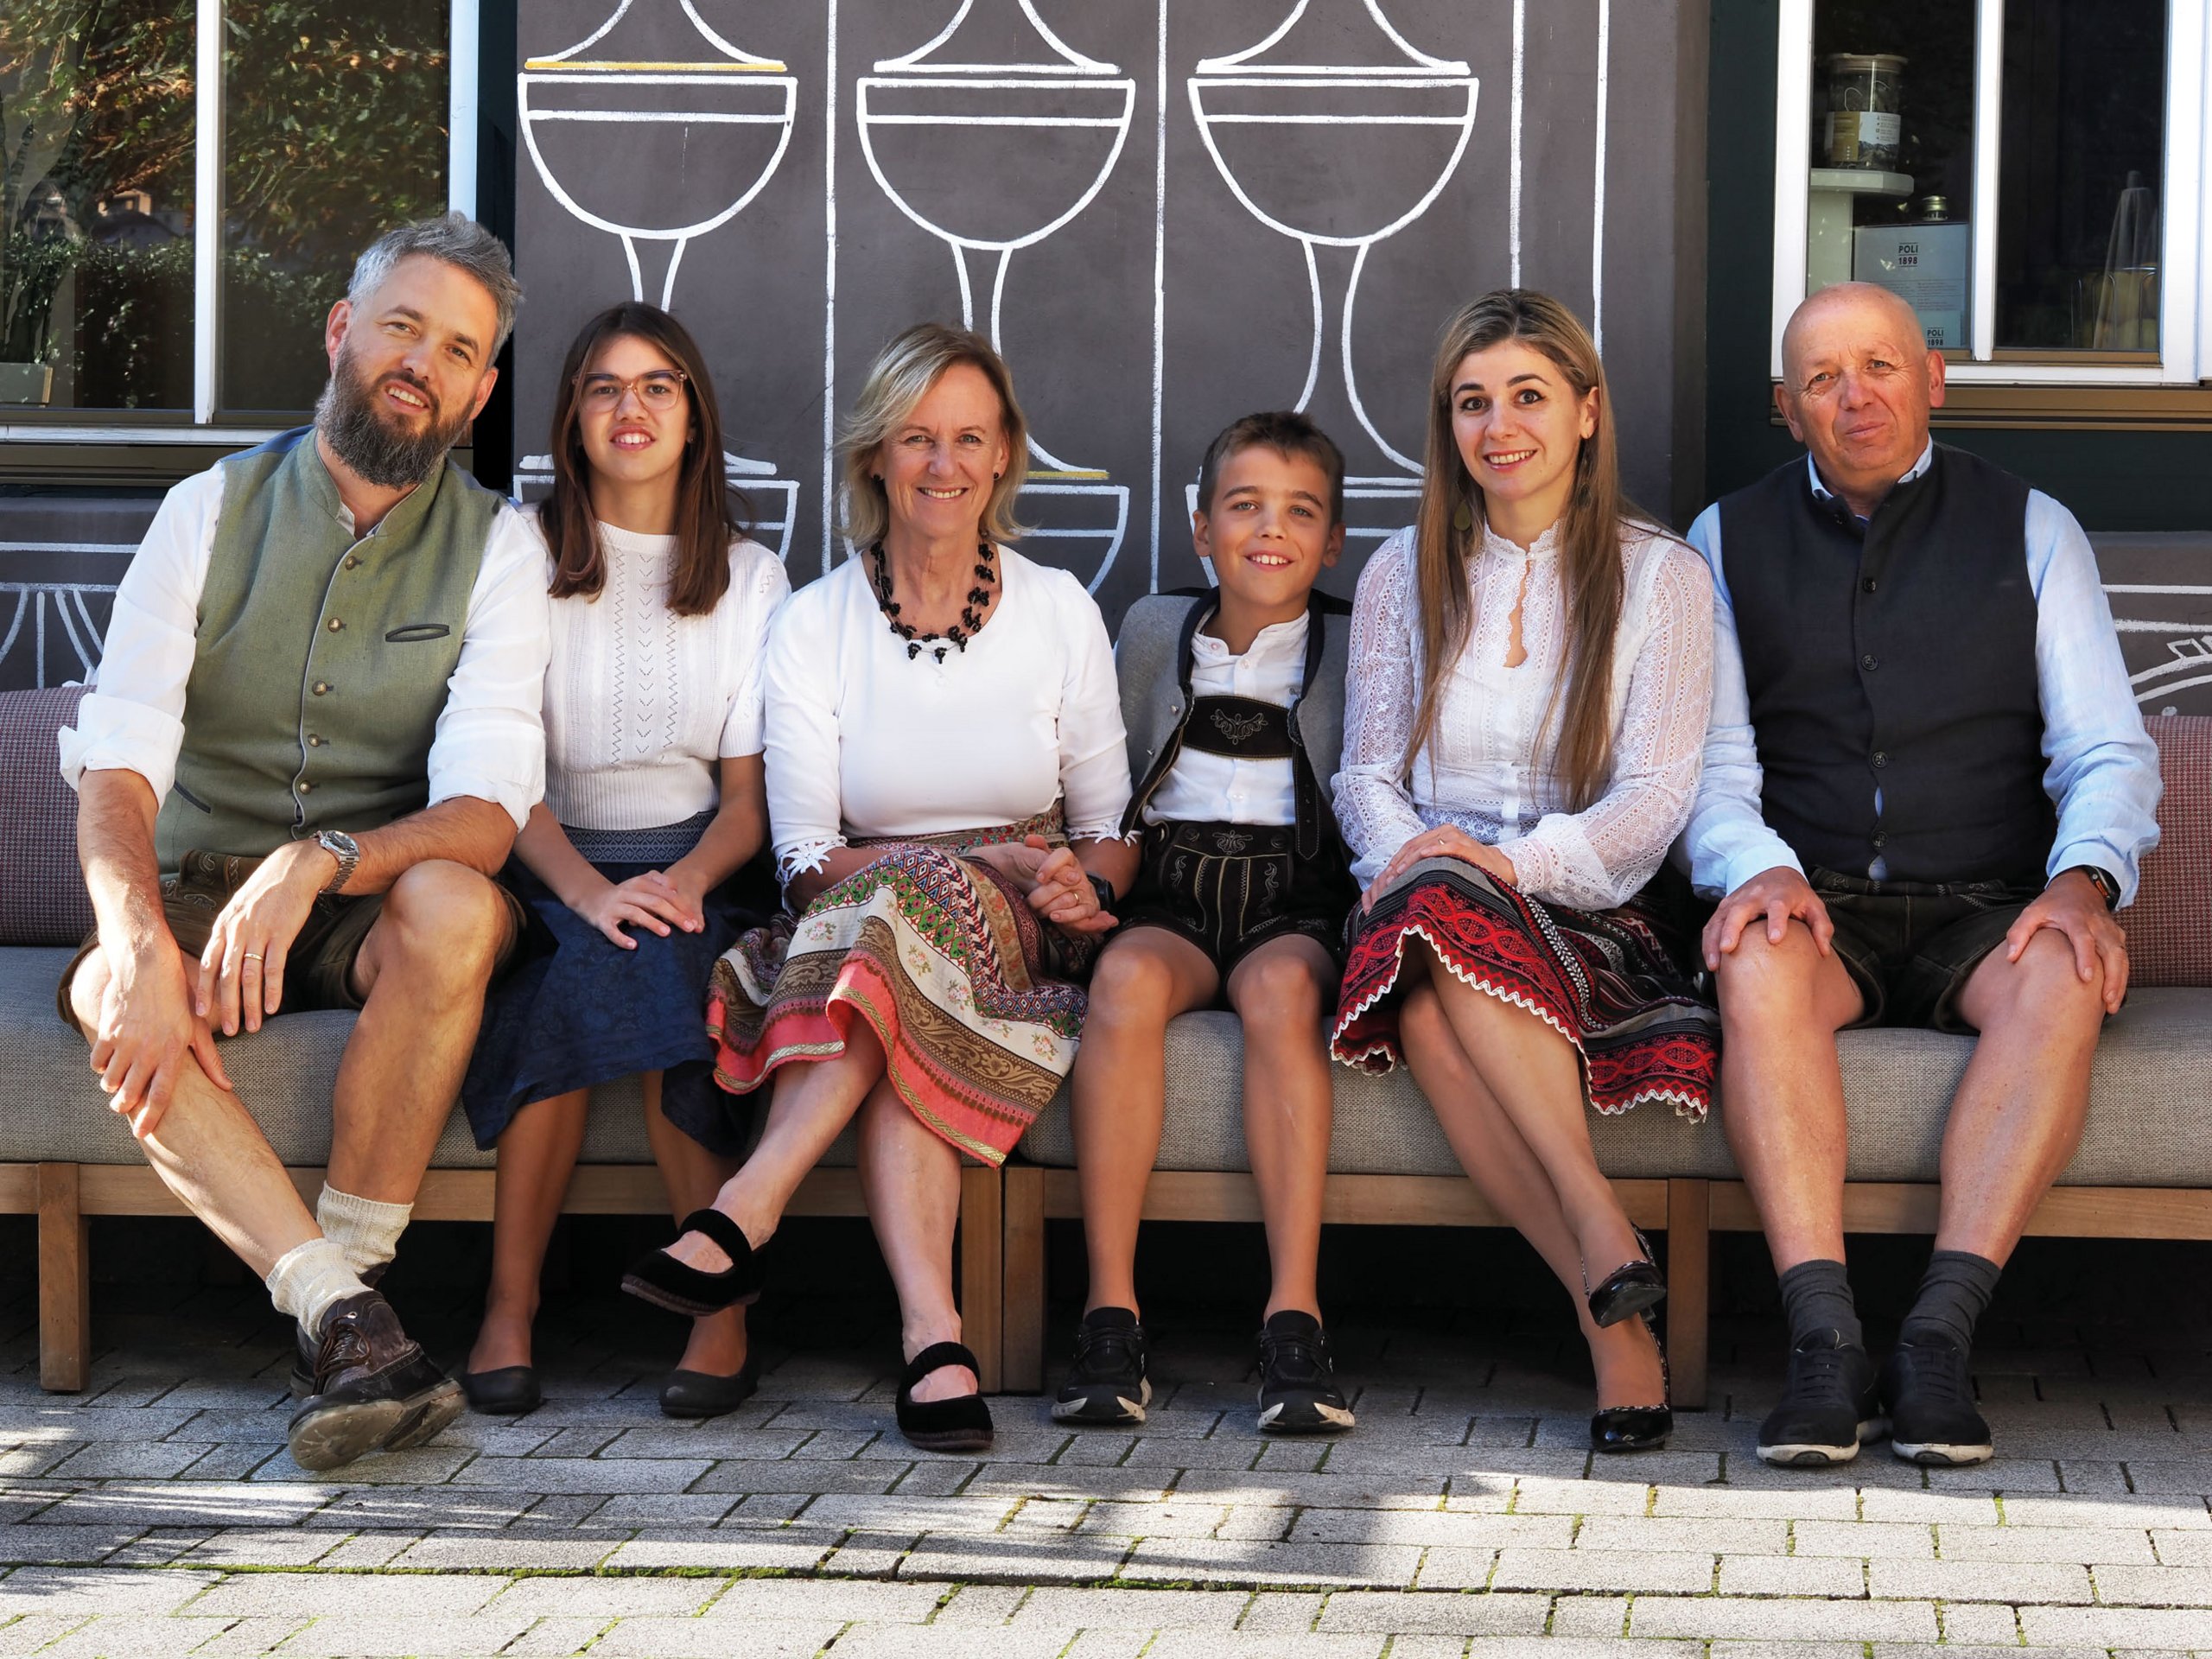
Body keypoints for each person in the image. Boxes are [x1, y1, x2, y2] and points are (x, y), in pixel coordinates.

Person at [54, 214, 549, 1471]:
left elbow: (489, 812)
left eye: (457, 350)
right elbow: (118, 767)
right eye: (401, 327)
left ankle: (350, 1296)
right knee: (112, 983)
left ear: (480, 392)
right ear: (341, 331)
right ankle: (345, 1318)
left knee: (457, 903)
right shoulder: (206, 509)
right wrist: (139, 939)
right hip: (187, 884)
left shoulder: (500, 546)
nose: (421, 364)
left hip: (361, 904)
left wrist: (323, 857)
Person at [625, 323, 1138, 1452]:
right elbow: (805, 857)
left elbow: (1109, 834)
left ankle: (745, 1209)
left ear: (1003, 457)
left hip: (1017, 931)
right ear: (874, 456)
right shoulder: (813, 622)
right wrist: (954, 864)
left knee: (907, 930)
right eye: (916, 438)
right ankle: (932, 1339)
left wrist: (1076, 885)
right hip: (853, 921)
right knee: (901, 954)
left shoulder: (1059, 607)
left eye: (969, 439)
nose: (943, 464)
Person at [1685, 282, 2160, 1469]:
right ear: (1786, 408)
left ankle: (1937, 1343)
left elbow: (2106, 750)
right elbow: (1714, 765)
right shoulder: (1722, 539)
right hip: (1819, 899)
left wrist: (2082, 882)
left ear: (1932, 379)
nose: (1856, 397)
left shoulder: (2034, 527)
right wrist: (1758, 870)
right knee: (1754, 959)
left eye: (1881, 366)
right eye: (1824, 378)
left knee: (2066, 968)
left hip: (1987, 904)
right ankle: (1823, 1344)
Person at [1329, 289, 1718, 1454]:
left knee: (1433, 999)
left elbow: (1654, 801)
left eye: (1529, 397)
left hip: (1582, 910)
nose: (1499, 428)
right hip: (1415, 899)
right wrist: (1419, 862)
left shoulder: (1662, 576)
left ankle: (1607, 1289)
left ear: (1588, 412)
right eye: (1472, 403)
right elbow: (1365, 775)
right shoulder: (1402, 572)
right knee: (1434, 918)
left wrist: (1498, 865)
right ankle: (1605, 1268)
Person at [456, 302, 787, 1419]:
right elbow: (505, 772)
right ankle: (516, 1306)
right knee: (590, 959)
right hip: (545, 869)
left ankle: (709, 1306)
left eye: (656, 386)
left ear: (694, 416)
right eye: (603, 386)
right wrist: (593, 893)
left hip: (701, 875)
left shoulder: (750, 576)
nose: (629, 408)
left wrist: (680, 885)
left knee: (651, 959)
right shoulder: (516, 551)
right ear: (572, 418)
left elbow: (747, 803)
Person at [1055, 411, 1361, 1435]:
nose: (1270, 530)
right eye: (1244, 506)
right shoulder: (1154, 630)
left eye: (1300, 512)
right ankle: (1110, 1311)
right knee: (1125, 980)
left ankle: (1293, 1316)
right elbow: (1106, 784)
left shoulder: (1354, 643)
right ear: (1200, 527)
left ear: (1332, 540)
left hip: (1295, 901)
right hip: (1173, 896)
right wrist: (1092, 885)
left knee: (1280, 991)